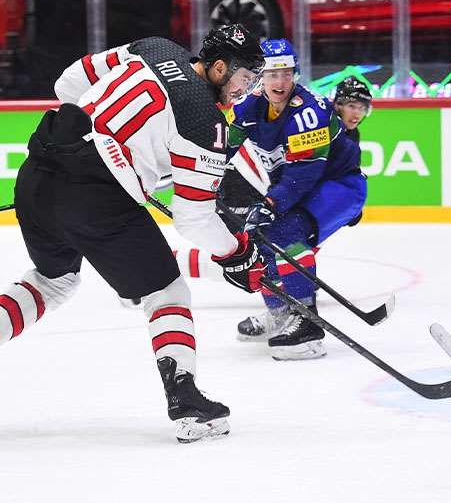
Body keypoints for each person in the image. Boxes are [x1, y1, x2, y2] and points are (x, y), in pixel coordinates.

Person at [0, 25, 266, 443]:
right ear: (219, 68)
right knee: (168, 293)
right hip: (95, 197)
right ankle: (188, 405)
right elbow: (193, 218)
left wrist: (109, 143)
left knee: (54, 280)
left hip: (40, 169)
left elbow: (67, 83)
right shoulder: (205, 121)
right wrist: (236, 252)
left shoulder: (154, 47)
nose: (245, 90)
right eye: (244, 78)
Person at [224, 39, 367, 361]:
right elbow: (225, 148)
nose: (280, 81)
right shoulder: (249, 106)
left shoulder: (309, 112)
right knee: (258, 240)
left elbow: (303, 175)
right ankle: (280, 315)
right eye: (273, 74)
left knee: (283, 232)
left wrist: (270, 204)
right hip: (300, 187)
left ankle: (308, 326)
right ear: (261, 77)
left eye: (286, 73)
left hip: (340, 187)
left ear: (295, 74)